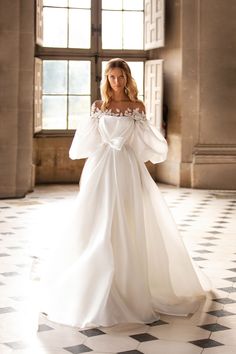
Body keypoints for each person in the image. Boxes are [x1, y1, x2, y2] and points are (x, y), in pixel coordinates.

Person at [39, 58, 211, 329]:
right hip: (102, 167)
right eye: (111, 77)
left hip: (128, 168)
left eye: (120, 77)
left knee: (129, 220)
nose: (116, 82)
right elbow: (86, 140)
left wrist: (153, 148)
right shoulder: (99, 107)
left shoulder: (136, 107)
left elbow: (147, 139)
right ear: (106, 79)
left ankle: (130, 282)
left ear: (127, 79)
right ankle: (95, 282)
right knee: (99, 221)